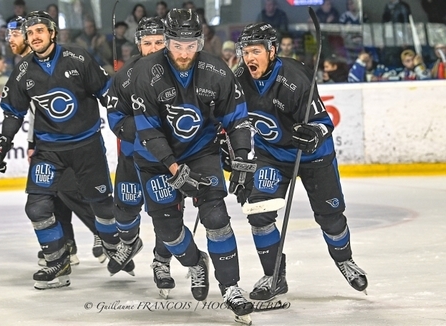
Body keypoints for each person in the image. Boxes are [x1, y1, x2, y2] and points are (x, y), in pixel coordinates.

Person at [129, 8, 254, 323]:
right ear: (168, 42)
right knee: (169, 232)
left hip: (201, 153)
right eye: (177, 45)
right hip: (156, 162)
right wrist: (174, 170)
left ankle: (231, 288)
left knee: (216, 216)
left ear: (199, 41)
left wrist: (241, 157)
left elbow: (237, 119)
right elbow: (148, 130)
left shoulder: (216, 70)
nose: (184, 53)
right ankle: (196, 262)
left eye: (190, 45)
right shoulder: (146, 72)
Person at [232, 22, 368, 301]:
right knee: (258, 212)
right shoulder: (239, 78)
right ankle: (273, 275)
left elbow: (323, 123)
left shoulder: (296, 78)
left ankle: (344, 260)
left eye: (255, 51)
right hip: (272, 156)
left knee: (331, 218)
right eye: (245, 51)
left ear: (272, 51)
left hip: (314, 156)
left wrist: (313, 134)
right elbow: (231, 120)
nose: (249, 58)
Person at [0, 11, 117, 290]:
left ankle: (114, 243)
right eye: (30, 33)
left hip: (86, 145)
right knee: (37, 205)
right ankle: (58, 261)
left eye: (40, 31)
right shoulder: (23, 71)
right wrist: (2, 143)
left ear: (52, 33)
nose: (34, 37)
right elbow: (13, 113)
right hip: (48, 150)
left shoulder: (77, 57)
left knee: (101, 204)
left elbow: (106, 92)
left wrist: (126, 124)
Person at [105, 16, 177, 297]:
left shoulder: (182, 73)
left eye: (159, 42)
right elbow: (114, 115)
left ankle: (162, 261)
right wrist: (144, 130)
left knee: (165, 214)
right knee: (125, 204)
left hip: (166, 160)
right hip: (133, 154)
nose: (154, 47)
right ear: (138, 45)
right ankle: (129, 241)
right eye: (147, 43)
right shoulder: (125, 76)